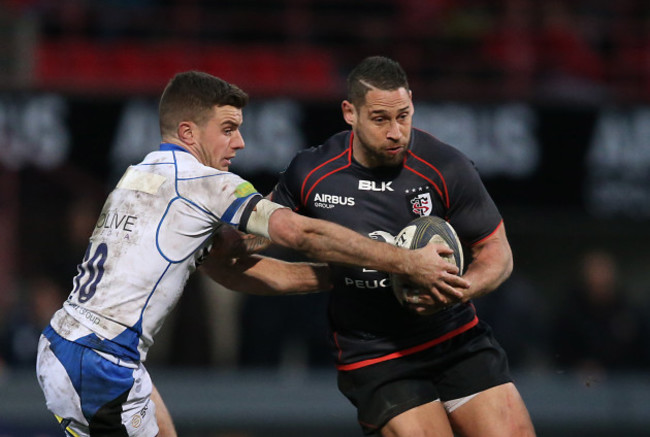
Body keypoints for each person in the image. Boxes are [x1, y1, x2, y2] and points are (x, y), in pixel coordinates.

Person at [35, 70, 462, 437]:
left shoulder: (141, 174)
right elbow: (298, 232)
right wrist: (402, 261)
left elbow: (235, 272)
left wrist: (344, 276)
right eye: (227, 129)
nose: (239, 143)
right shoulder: (203, 182)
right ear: (188, 133)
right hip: (100, 361)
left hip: (71, 345)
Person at [270, 56, 536, 436]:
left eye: (404, 116)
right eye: (380, 119)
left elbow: (497, 252)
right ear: (350, 112)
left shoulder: (446, 166)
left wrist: (458, 292)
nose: (396, 131)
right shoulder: (311, 172)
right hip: (376, 353)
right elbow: (252, 234)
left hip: (454, 337)